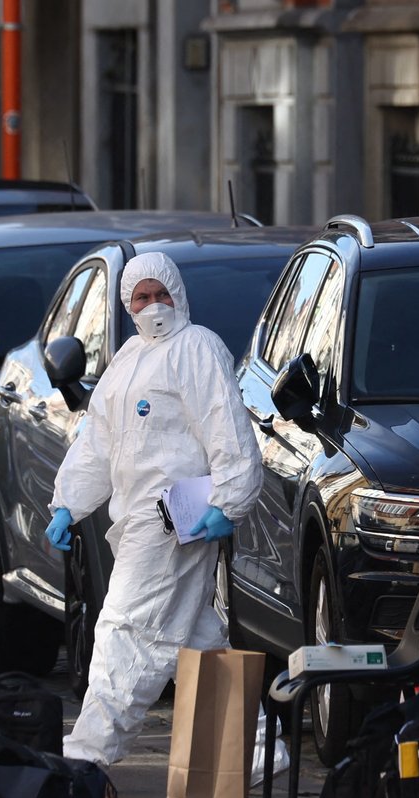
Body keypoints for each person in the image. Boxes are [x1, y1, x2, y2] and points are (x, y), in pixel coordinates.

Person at [46, 251, 263, 765]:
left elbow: (228, 429)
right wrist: (67, 504)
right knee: (197, 641)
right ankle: (254, 755)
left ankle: (88, 752)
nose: (153, 305)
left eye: (160, 294)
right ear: (128, 304)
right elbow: (97, 441)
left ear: (178, 294)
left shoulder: (197, 348)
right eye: (141, 297)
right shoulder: (127, 359)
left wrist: (229, 502)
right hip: (139, 520)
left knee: (125, 627)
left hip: (174, 520)